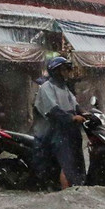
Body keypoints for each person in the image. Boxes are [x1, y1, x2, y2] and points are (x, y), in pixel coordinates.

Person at [34, 56, 86, 189]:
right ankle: (66, 192)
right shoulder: (46, 88)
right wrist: (72, 118)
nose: (67, 72)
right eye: (64, 70)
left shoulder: (64, 88)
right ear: (56, 71)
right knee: (67, 165)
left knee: (77, 162)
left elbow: (75, 105)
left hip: (69, 129)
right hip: (54, 131)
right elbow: (53, 111)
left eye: (67, 69)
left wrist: (85, 113)